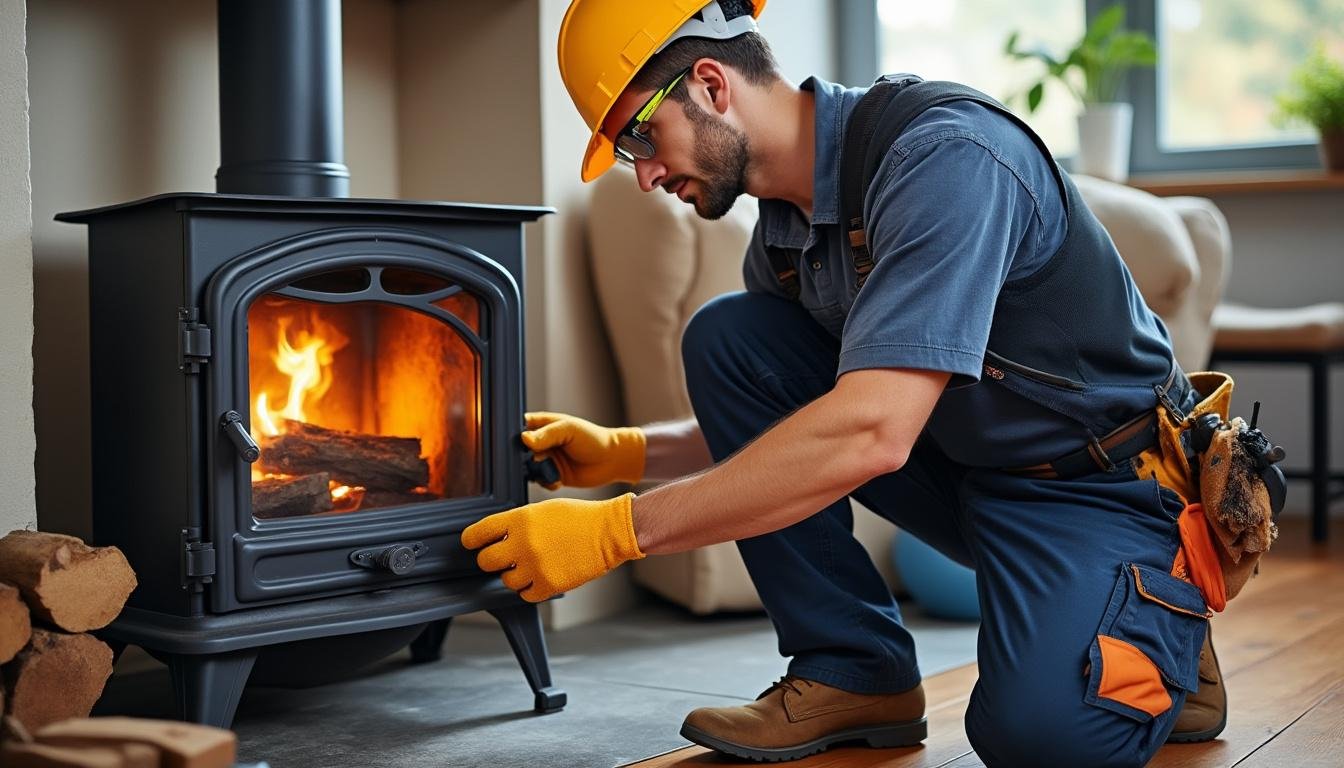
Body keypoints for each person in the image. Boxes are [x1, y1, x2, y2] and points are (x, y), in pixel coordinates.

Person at [461, 1, 1231, 764]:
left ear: (710, 85)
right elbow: (805, 422)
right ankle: (855, 671)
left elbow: (871, 430)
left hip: (1105, 486)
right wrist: (627, 452)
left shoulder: (946, 160)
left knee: (1038, 740)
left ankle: (1160, 605)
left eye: (638, 136)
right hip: (978, 478)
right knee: (732, 339)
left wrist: (615, 532)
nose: (645, 175)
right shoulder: (786, 237)